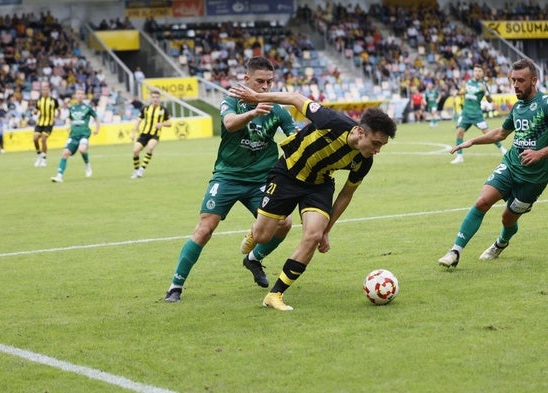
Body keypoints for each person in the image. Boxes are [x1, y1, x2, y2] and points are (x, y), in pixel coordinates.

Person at [228, 84, 397, 311]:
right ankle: (254, 232)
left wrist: (327, 230)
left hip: (319, 185)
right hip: (287, 174)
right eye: (376, 143)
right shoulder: (331, 120)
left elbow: (347, 194)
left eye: (382, 146)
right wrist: (258, 96)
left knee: (313, 235)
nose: (377, 150)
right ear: (359, 132)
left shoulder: (364, 161)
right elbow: (296, 98)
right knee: (263, 234)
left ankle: (275, 294)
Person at [164, 56, 297, 303]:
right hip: (227, 177)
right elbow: (229, 123)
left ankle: (253, 259)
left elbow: (295, 139)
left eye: (269, 82)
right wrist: (254, 112)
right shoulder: (232, 101)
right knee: (205, 229)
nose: (266, 87)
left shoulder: (278, 110)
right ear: (246, 80)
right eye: (260, 82)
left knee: (284, 223)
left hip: (260, 179)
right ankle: (175, 286)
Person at [438, 58, 548, 268]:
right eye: (513, 80)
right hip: (511, 165)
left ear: (534, 80)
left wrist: (540, 153)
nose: (515, 85)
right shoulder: (517, 107)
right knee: (482, 201)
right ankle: (455, 251)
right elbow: (500, 133)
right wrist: (472, 141)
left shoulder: (545, 104)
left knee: (508, 219)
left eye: (520, 80)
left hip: (534, 179)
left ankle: (501, 243)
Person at [450, 64, 507, 164]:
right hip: (465, 114)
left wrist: (486, 93)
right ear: (473, 72)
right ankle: (459, 156)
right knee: (459, 132)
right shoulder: (468, 82)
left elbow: (489, 100)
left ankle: (502, 149)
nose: (477, 73)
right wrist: (459, 93)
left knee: (488, 134)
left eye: (479, 71)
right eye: (475, 71)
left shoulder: (484, 85)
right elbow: (466, 92)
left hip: (477, 114)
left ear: (482, 73)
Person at [51, 88, 100, 183]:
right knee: (65, 153)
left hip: (84, 134)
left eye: (82, 94)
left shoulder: (87, 108)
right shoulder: (72, 108)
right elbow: (69, 118)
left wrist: (97, 129)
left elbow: (96, 118)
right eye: (78, 94)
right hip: (73, 135)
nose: (80, 95)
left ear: (84, 96)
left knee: (82, 150)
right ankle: (59, 176)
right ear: (75, 96)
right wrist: (68, 124)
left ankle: (87, 165)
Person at [130, 90, 172, 179]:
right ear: (150, 98)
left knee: (150, 147)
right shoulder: (145, 109)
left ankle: (142, 169)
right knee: (135, 151)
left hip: (155, 134)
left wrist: (162, 124)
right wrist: (133, 133)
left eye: (157, 97)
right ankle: (136, 170)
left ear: (159, 98)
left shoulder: (163, 110)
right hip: (144, 134)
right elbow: (138, 121)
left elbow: (170, 123)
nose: (155, 99)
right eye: (153, 97)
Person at [33, 83, 60, 167]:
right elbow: (36, 110)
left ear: (49, 91)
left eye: (46, 90)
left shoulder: (53, 100)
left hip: (49, 123)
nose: (45, 91)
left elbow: (59, 110)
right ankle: (39, 155)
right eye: (43, 90)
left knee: (43, 139)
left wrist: (56, 118)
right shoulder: (39, 100)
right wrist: (35, 112)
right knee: (35, 139)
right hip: (40, 122)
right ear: (41, 91)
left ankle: (44, 159)